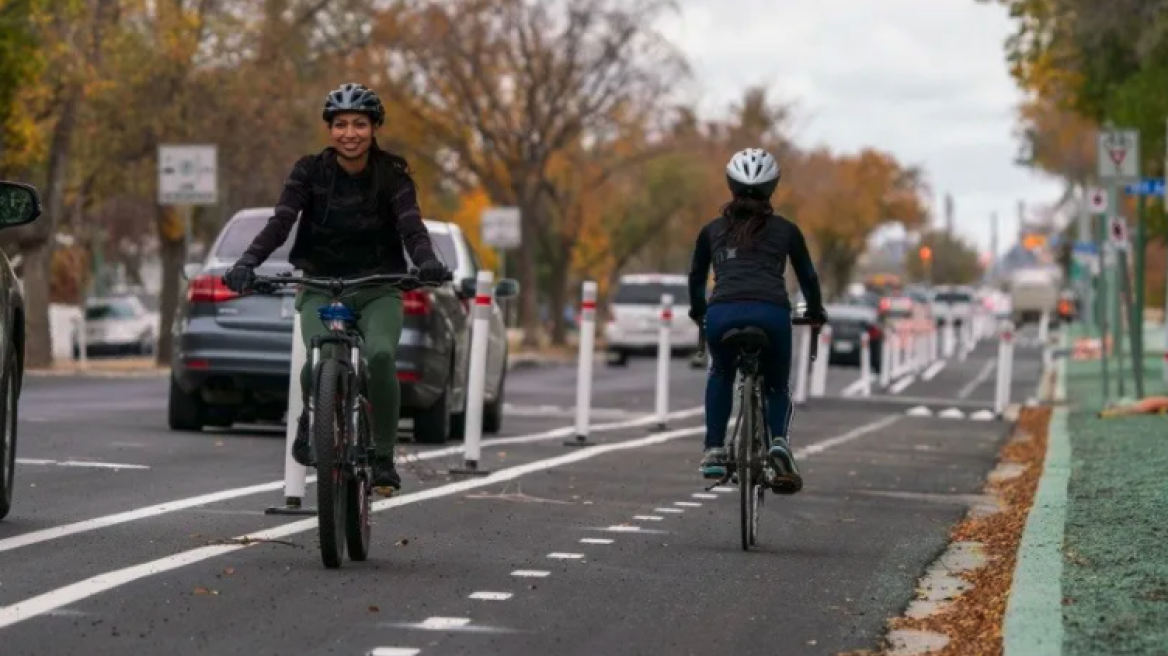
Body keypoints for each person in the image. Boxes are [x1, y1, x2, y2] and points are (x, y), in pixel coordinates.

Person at [221, 82, 450, 494]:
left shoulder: (393, 173)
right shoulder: (309, 171)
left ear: (374, 127)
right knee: (319, 356)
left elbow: (411, 226)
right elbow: (281, 222)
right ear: (329, 129)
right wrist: (247, 263)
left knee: (380, 355)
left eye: (359, 124)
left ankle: (382, 455)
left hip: (378, 285)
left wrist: (427, 261)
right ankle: (315, 415)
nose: (350, 133)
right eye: (340, 124)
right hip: (321, 284)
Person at [686, 148, 827, 494]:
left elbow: (695, 277)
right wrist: (816, 311)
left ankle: (715, 449)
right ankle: (778, 442)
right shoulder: (787, 231)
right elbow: (808, 278)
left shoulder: (711, 231)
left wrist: (698, 312)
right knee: (777, 385)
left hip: (722, 313)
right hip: (771, 313)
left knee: (721, 372)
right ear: (772, 188)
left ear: (730, 185)